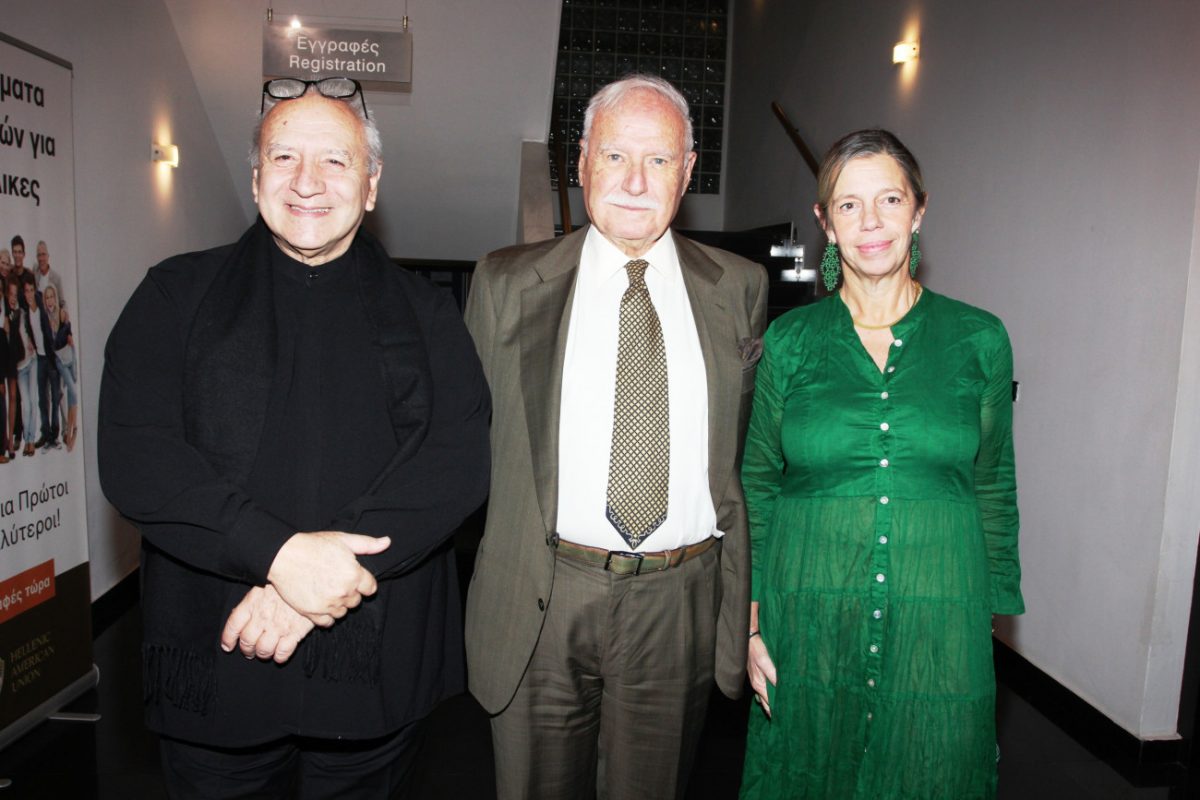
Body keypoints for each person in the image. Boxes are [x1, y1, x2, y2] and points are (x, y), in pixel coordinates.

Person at [99, 76, 490, 798]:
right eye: (284, 158)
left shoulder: (429, 315)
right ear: (255, 179)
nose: (307, 181)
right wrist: (278, 553)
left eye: (336, 160)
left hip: (373, 669)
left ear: (371, 186)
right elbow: (138, 455)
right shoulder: (173, 295)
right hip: (220, 661)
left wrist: (308, 583)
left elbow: (456, 462)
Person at [464, 74, 768, 799]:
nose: (635, 182)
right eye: (615, 156)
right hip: (542, 594)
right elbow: (465, 444)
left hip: (678, 603)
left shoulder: (740, 288)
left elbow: (749, 455)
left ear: (687, 172)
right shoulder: (505, 283)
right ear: (581, 162)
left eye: (658, 160)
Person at [739, 129, 1023, 799]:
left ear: (918, 211)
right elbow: (757, 482)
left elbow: (993, 482)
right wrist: (748, 624)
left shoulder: (979, 338)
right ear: (825, 223)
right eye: (849, 205)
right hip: (807, 615)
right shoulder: (790, 341)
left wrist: (988, 614)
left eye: (889, 200)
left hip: (940, 614)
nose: (870, 222)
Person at [39, 284, 77, 451]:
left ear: (55, 298)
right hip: (56, 362)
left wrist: (68, 332)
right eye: (47, 297)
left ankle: (69, 430)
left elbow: (68, 333)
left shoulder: (61, 314)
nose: (49, 300)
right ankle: (67, 431)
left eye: (51, 297)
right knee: (61, 394)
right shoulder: (45, 318)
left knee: (68, 393)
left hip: (66, 358)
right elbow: (50, 342)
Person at [24, 279, 60, 450]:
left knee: (55, 397)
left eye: (32, 290)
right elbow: (29, 331)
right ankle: (45, 433)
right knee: (42, 399)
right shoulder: (27, 313)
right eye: (27, 291)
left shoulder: (42, 310)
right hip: (40, 359)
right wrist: (31, 342)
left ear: (35, 292)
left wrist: (54, 361)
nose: (29, 294)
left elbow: (50, 334)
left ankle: (54, 434)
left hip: (51, 359)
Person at [34, 241, 64, 306]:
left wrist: (64, 311)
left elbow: (63, 303)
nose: (41, 258)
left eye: (43, 254)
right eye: (39, 255)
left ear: (48, 256)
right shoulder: (34, 272)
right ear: (36, 257)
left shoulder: (56, 278)